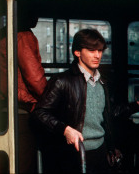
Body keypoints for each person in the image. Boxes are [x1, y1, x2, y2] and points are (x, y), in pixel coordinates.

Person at [32, 29, 139, 173]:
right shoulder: (61, 81)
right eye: (91, 50)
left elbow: (109, 114)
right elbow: (39, 113)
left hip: (101, 152)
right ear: (77, 52)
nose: (97, 55)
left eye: (100, 50)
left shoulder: (103, 82)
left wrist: (136, 105)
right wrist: (65, 130)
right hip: (73, 155)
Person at [0, 11, 47, 173]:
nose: (36, 17)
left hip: (5, 107)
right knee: (24, 164)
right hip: (22, 109)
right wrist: (50, 99)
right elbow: (35, 79)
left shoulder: (4, 34)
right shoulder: (22, 37)